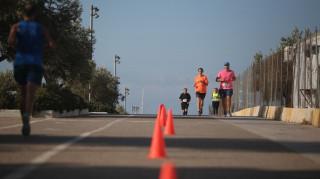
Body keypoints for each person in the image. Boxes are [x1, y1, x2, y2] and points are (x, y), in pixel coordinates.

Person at [8, 4, 55, 136]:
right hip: (35, 63)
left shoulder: (16, 27)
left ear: (23, 14)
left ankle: (24, 120)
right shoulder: (41, 28)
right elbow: (52, 45)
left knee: (23, 93)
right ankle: (27, 115)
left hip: (20, 62)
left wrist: (19, 49)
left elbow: (10, 42)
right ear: (34, 15)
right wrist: (41, 49)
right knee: (31, 93)